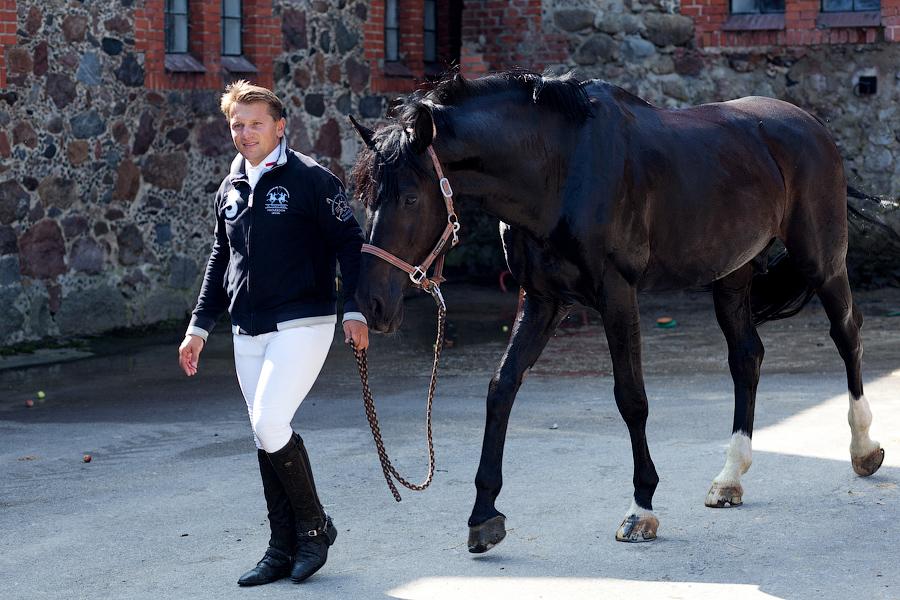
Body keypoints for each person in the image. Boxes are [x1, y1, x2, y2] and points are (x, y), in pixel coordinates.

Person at [177, 80, 368, 586]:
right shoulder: (231, 186)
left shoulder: (311, 179)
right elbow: (222, 258)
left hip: (303, 321)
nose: (245, 133)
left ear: (280, 126)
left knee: (268, 421)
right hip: (248, 329)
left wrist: (354, 309)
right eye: (237, 124)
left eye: (256, 123)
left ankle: (314, 528)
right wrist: (199, 326)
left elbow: (351, 243)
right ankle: (280, 548)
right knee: (265, 434)